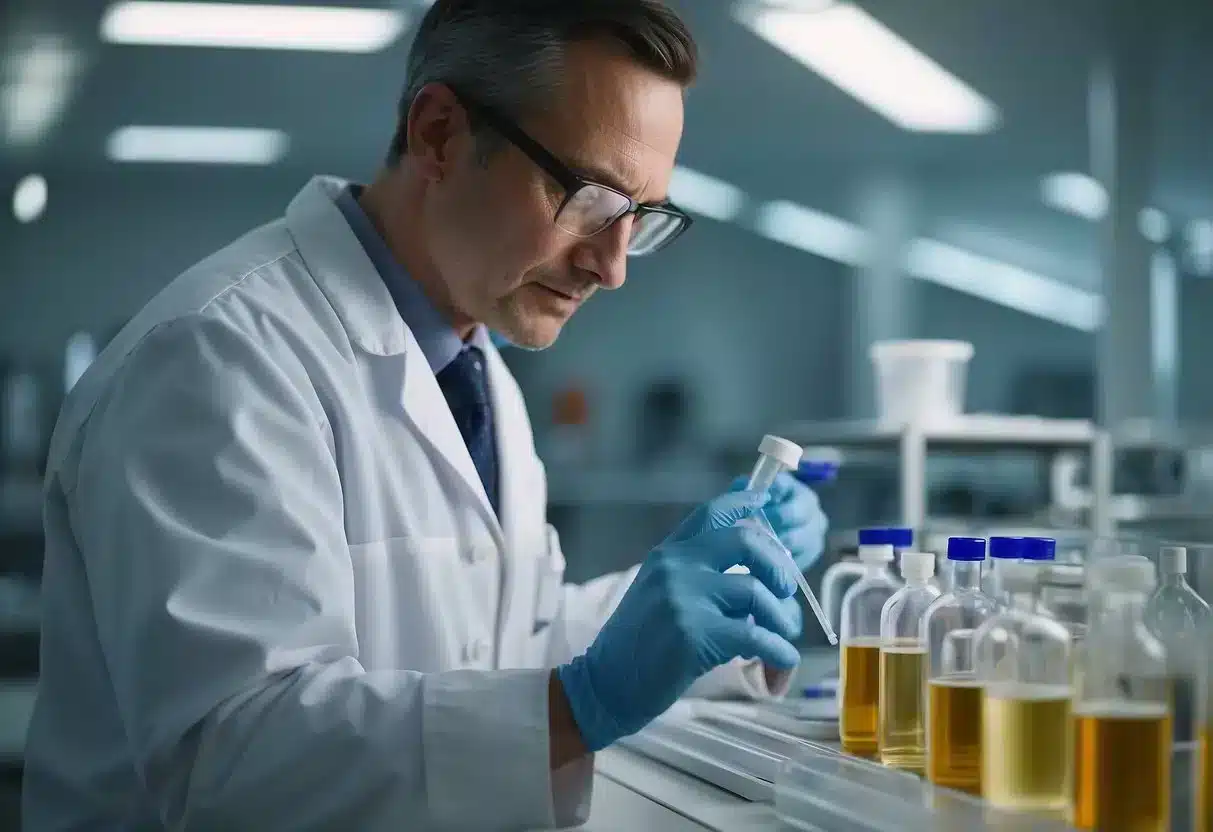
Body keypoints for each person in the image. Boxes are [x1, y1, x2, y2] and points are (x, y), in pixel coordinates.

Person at [24, 1, 829, 829]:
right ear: (439, 133)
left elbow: (504, 645)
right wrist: (586, 701)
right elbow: (233, 763)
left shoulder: (472, 362)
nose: (613, 265)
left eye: (639, 217)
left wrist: (705, 602)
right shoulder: (216, 359)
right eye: (588, 197)